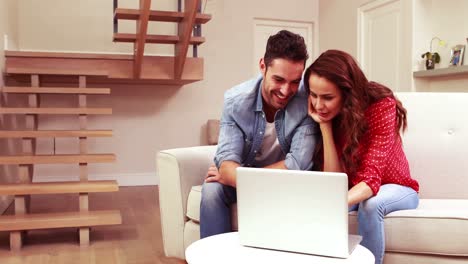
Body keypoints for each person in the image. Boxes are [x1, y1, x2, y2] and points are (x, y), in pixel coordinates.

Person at [304, 50, 419, 264]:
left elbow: (371, 179)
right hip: (356, 190)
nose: (318, 105)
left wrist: (334, 201)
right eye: (314, 95)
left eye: (328, 97)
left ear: (347, 94)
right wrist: (325, 126)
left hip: (397, 187)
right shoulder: (328, 114)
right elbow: (333, 179)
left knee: (371, 204)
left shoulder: (381, 105)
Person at [200, 30, 318, 238]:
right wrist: (232, 173)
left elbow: (297, 166)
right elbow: (227, 165)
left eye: (294, 81)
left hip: (287, 185)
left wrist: (237, 174)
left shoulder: (307, 100)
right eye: (279, 79)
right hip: (248, 182)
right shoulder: (235, 101)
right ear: (263, 66)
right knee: (211, 191)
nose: (285, 90)